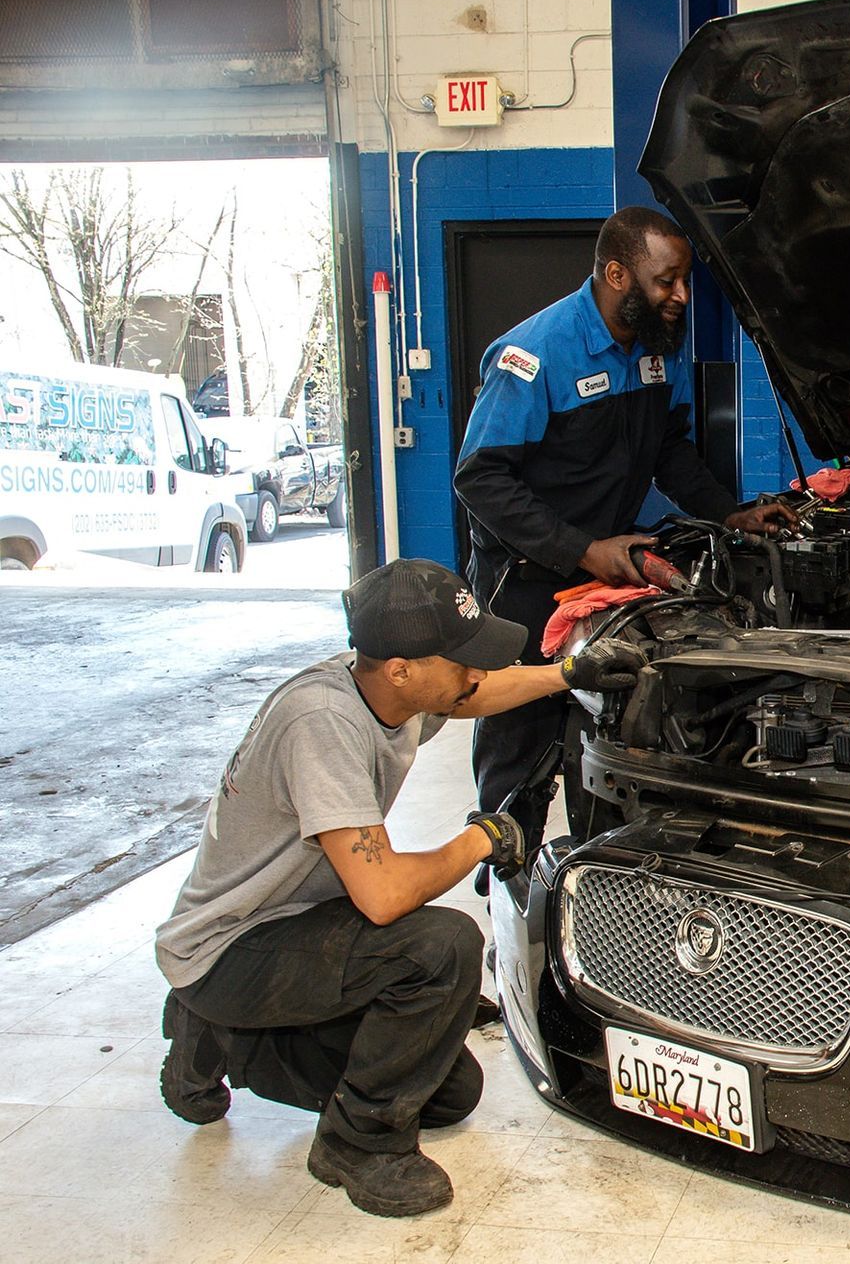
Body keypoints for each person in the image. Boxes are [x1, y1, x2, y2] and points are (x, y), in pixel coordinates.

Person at [153, 558, 649, 1217]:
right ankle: (356, 1146)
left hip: (299, 921)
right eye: (461, 658)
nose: (474, 672)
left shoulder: (386, 687)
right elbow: (382, 896)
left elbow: (475, 693)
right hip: (233, 944)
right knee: (441, 946)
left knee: (449, 1094)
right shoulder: (322, 724)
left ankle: (227, 1040)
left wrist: (566, 675)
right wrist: (483, 837)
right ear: (402, 668)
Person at [454, 205, 794, 838]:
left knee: (604, 736)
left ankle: (596, 888)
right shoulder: (535, 354)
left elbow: (669, 451)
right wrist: (583, 549)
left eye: (684, 280)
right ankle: (507, 889)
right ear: (616, 274)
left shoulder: (654, 351)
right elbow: (479, 480)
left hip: (606, 581)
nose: (681, 296)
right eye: (667, 281)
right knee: (518, 749)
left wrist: (730, 512)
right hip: (525, 586)